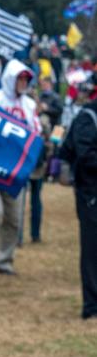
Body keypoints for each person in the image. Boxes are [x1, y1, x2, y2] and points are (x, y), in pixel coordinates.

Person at [0, 60, 39, 273]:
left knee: (13, 218)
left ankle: (5, 261)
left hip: (16, 170)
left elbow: (35, 133)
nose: (23, 82)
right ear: (11, 78)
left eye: (26, 79)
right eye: (19, 78)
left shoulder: (29, 105)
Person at [60, 80, 97, 319]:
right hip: (90, 194)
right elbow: (85, 156)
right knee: (92, 250)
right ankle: (91, 306)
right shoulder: (88, 117)